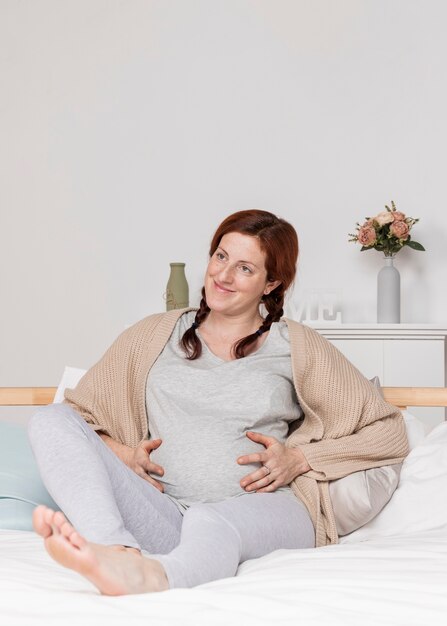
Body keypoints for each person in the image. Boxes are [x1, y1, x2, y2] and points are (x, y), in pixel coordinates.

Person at [28, 209, 408, 596]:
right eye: (220, 256)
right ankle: (114, 552)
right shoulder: (154, 334)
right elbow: (80, 420)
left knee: (210, 520)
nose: (222, 276)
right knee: (50, 419)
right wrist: (125, 455)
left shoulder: (295, 345)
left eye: (244, 268)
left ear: (271, 283)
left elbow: (388, 429)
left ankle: (155, 579)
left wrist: (300, 458)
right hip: (168, 514)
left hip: (270, 510)